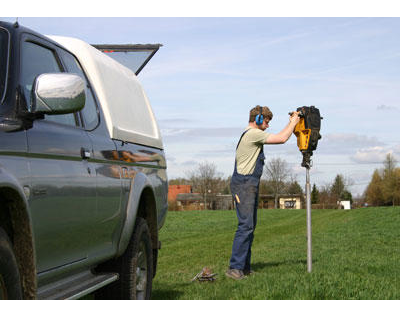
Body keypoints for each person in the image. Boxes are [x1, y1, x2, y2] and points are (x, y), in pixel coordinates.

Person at [226, 105, 300, 280]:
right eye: (266, 122)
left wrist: (291, 123)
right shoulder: (252, 134)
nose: (267, 126)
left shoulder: (254, 135)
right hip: (244, 184)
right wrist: (294, 122)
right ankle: (234, 268)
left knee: (249, 227)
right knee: (245, 226)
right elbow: (282, 138)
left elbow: (279, 135)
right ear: (258, 120)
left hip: (248, 184)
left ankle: (244, 267)